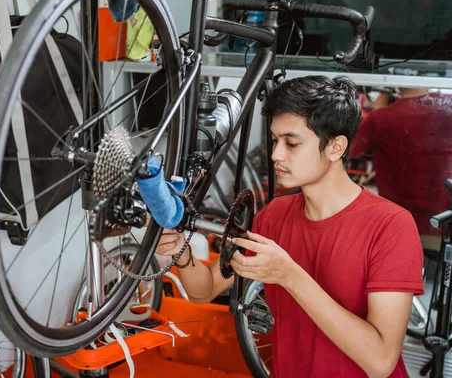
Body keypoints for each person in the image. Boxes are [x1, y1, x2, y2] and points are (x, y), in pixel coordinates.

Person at [157, 76, 424, 378]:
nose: (275, 155)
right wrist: (182, 252)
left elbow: (380, 361)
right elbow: (203, 291)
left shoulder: (390, 226)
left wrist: (290, 276)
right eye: (274, 140)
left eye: (292, 143)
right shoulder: (275, 216)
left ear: (335, 147)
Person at [350, 87, 452, 251]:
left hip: (397, 225)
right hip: (443, 225)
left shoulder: (381, 118)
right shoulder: (447, 109)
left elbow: (342, 152)